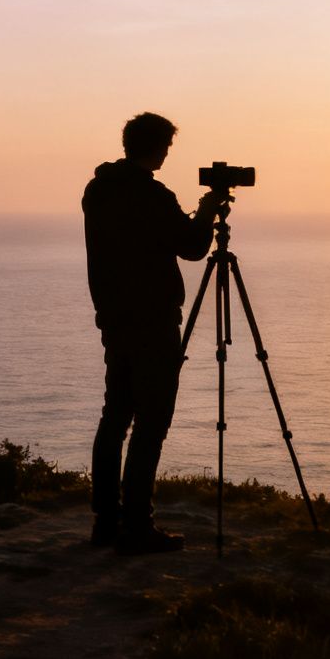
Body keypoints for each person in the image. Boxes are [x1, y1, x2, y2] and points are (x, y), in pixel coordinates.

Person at [82, 112, 230, 554]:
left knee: (115, 419)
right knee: (151, 424)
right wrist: (206, 210)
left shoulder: (98, 189)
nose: (168, 153)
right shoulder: (151, 195)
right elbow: (191, 247)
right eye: (166, 146)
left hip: (114, 318)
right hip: (151, 321)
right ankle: (138, 528)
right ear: (156, 145)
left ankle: (106, 522)